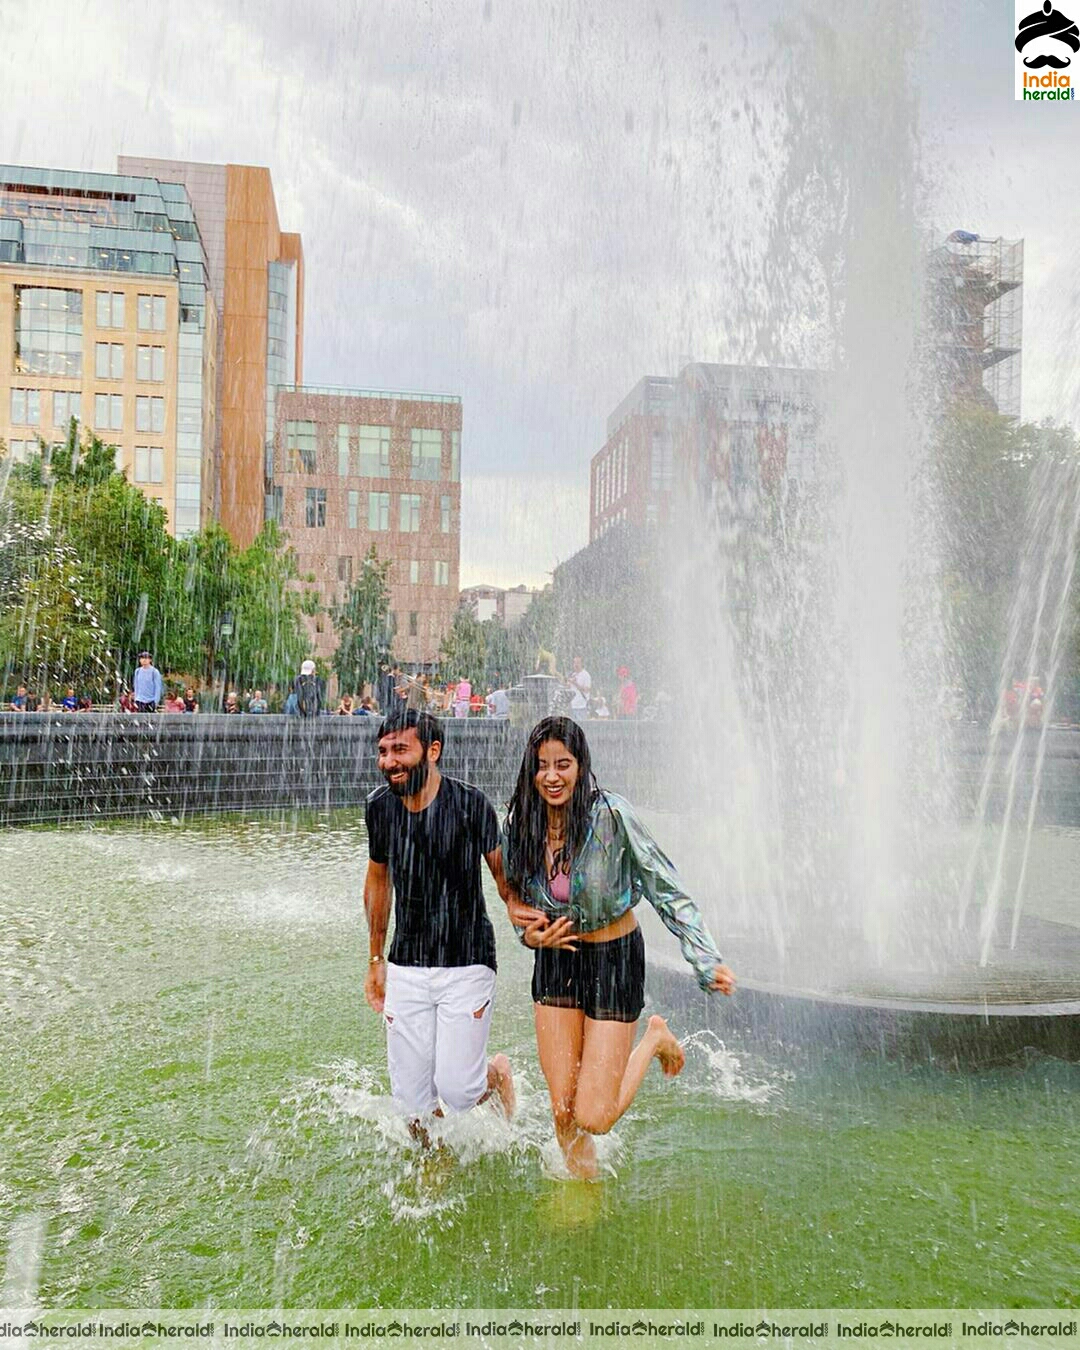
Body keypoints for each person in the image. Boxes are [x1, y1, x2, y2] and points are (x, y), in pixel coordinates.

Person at [502, 716, 735, 1179]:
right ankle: (584, 1192)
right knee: (563, 1109)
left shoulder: (612, 816)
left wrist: (705, 960)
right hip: (555, 961)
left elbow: (665, 888)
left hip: (614, 959)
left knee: (595, 1114)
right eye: (542, 765)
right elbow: (518, 906)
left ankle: (652, 1039)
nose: (552, 776)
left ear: (580, 766)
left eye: (562, 764)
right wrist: (529, 936)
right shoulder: (519, 824)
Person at [363, 709, 515, 1131]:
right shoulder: (379, 808)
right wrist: (377, 959)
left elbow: (505, 880)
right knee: (410, 1101)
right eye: (383, 752)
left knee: (458, 1092)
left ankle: (495, 1075)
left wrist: (527, 918)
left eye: (400, 750)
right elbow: (378, 880)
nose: (389, 762)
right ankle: (432, 1166)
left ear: (433, 750)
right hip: (406, 962)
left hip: (467, 959)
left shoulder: (469, 804)